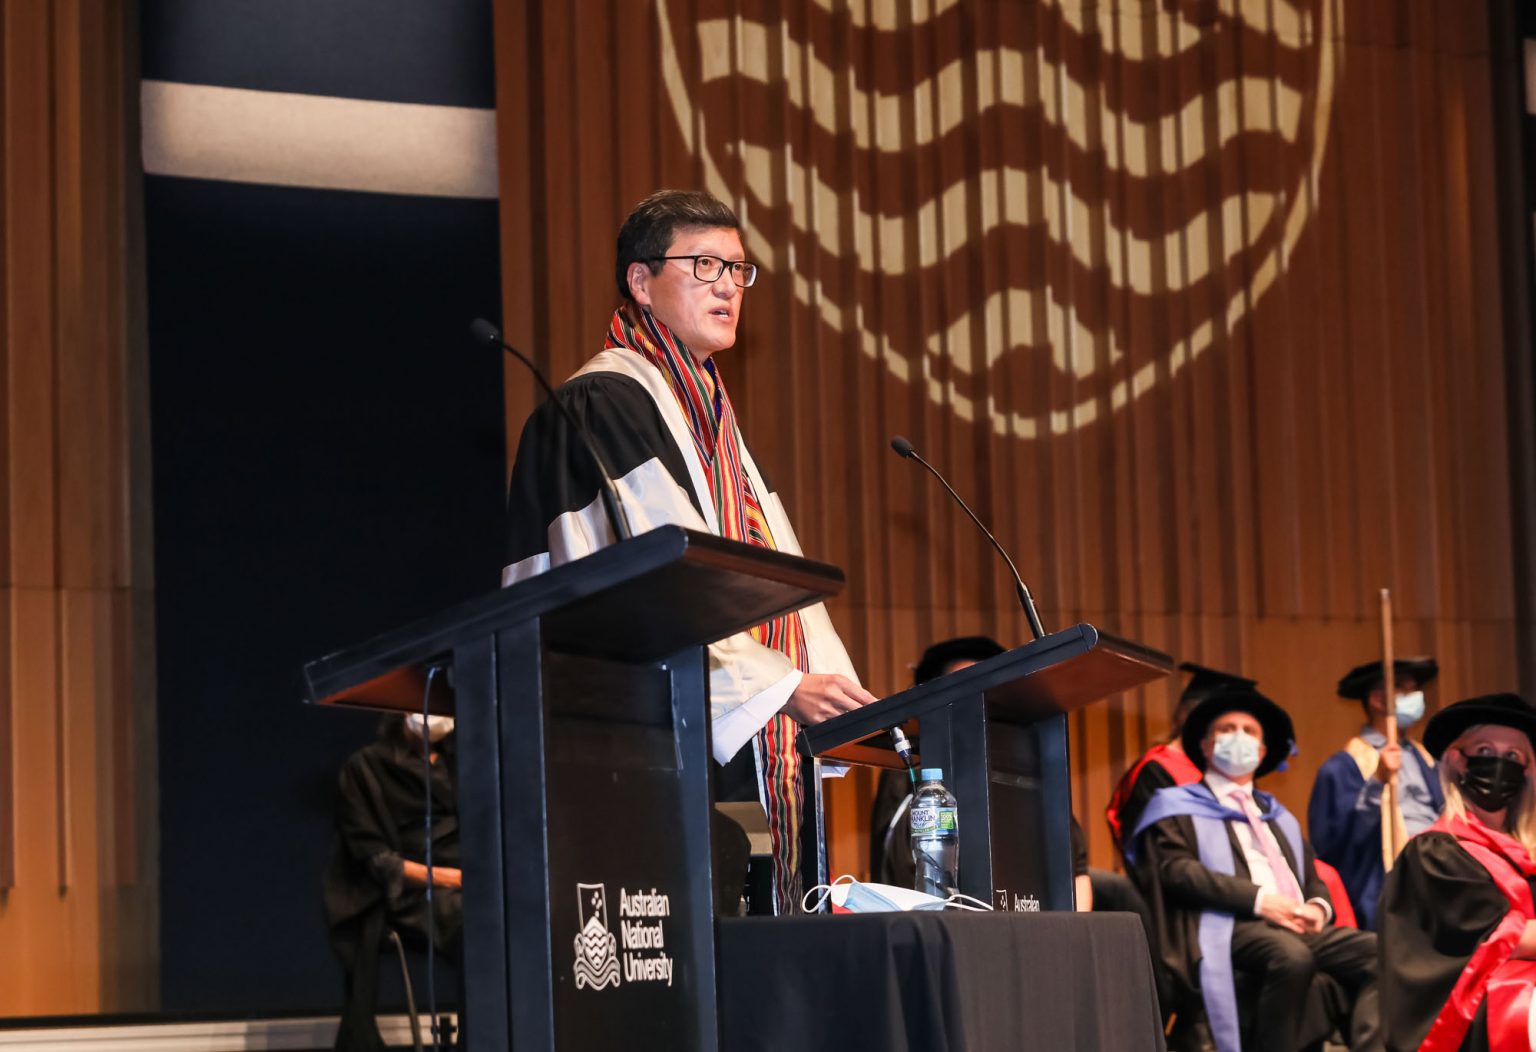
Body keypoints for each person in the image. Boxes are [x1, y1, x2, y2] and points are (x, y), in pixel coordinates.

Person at [503, 189, 877, 914]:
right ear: (641, 284)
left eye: (738, 270)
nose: (728, 287)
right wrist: (783, 687)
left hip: (714, 736)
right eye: (705, 265)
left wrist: (834, 700)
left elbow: (776, 571)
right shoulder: (604, 403)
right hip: (636, 744)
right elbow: (661, 581)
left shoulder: (709, 416)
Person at [1128, 687, 1382, 1052]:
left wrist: (1316, 907)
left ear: (1262, 752)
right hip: (1225, 923)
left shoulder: (1276, 814)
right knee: (1291, 957)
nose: (1239, 738)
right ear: (1205, 745)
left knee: (1380, 952)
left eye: (1249, 732)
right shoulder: (1175, 807)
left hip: (1293, 922)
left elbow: (1312, 875)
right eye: (1227, 729)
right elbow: (1177, 871)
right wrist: (1263, 902)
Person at [1379, 693, 1536, 1051]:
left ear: (1527, 771)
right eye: (1483, 751)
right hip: (1471, 1010)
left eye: (1513, 756)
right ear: (1457, 761)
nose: (1498, 764)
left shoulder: (1524, 850)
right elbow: (1502, 938)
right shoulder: (1437, 851)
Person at [323, 714, 462, 1052]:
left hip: (473, 881)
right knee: (476, 919)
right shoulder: (366, 767)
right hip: (410, 896)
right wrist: (450, 878)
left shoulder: (465, 762)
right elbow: (377, 859)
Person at [1308, 658, 1442, 931]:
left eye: (1415, 689)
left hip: (1440, 873)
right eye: (1404, 690)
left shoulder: (1429, 760)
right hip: (1385, 884)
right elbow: (1334, 844)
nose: (1416, 698)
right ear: (1378, 700)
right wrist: (1377, 782)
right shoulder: (1341, 768)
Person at [868, 635, 1004, 887]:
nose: (973, 702)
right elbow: (901, 869)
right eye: (961, 690)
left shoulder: (1015, 766)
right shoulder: (909, 768)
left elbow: (1075, 868)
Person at [1107, 663, 1257, 857]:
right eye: (1227, 728)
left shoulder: (1225, 773)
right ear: (1199, 720)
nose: (1238, 739)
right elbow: (1153, 852)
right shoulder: (1156, 771)